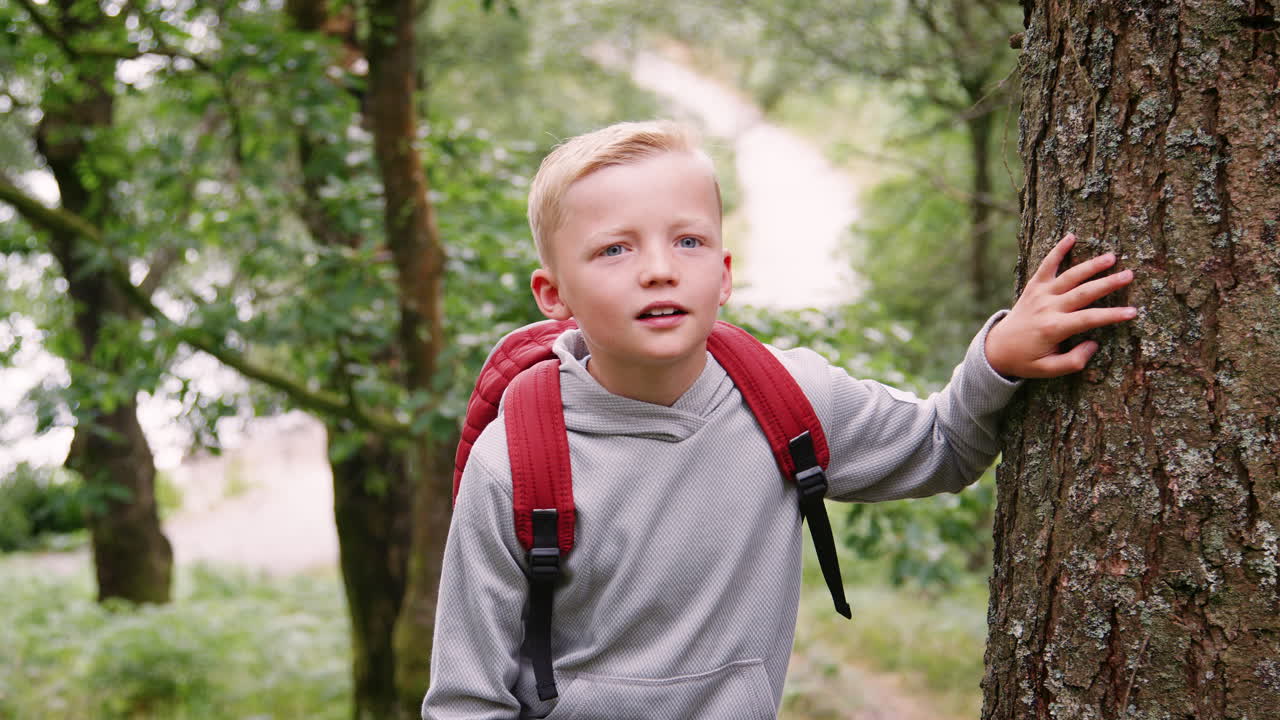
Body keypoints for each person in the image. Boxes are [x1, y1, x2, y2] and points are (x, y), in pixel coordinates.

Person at [421, 120, 1137, 719]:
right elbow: (465, 701)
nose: (659, 270)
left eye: (688, 242)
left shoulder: (785, 396)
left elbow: (943, 445)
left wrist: (1001, 355)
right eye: (615, 249)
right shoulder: (514, 463)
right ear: (554, 294)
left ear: (724, 274)